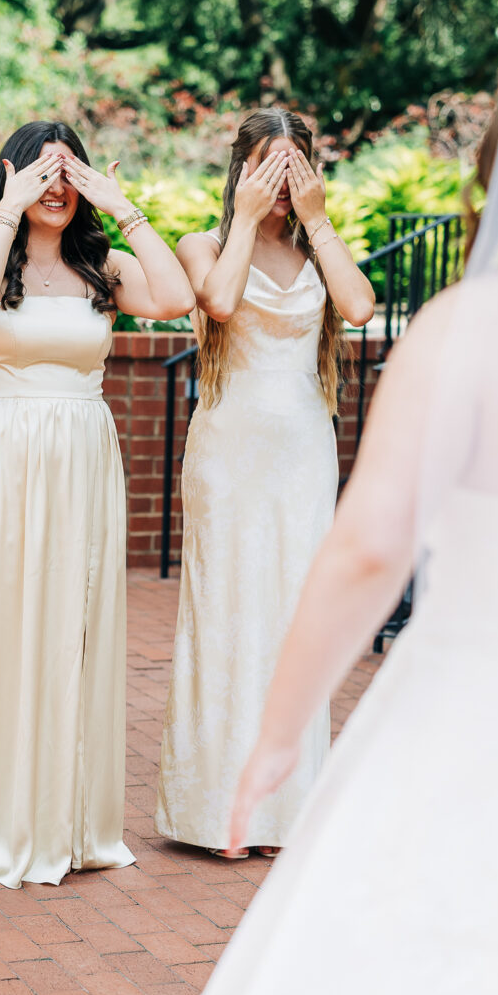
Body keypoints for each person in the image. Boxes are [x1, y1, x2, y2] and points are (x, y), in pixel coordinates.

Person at [27, 36, 498, 995]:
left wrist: (283, 724)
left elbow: (371, 543)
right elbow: (204, 300)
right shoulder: (230, 250)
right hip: (240, 452)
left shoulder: (471, 327)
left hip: (471, 698)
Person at [0, 120, 195, 888]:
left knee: (71, 626)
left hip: (79, 460)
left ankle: (61, 815)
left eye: (69, 173)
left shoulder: (106, 267)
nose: (57, 188)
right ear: (11, 178)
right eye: (42, 172)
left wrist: (123, 205)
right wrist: (8, 210)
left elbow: (177, 297)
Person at [157, 108, 374, 859]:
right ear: (242, 170)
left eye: (295, 165)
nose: (283, 180)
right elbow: (217, 302)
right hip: (229, 454)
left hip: (302, 457)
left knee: (292, 616)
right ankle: (221, 813)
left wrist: (316, 220)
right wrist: (247, 217)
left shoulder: (319, 248)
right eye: (268, 165)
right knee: (227, 614)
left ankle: (284, 808)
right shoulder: (206, 245)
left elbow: (358, 307)